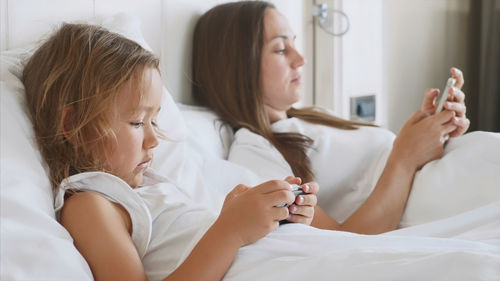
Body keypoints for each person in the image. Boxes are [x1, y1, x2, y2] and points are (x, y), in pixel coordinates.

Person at [22, 23, 319, 281]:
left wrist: (269, 219)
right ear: (73, 126)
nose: (153, 140)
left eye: (153, 120)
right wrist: (231, 230)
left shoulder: (146, 187)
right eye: (138, 122)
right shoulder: (89, 205)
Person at [191, 1, 470, 234]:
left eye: (294, 44)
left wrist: (433, 130)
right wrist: (405, 156)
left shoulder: (315, 117)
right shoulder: (254, 151)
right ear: (238, 69)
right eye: (280, 49)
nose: (300, 59)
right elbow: (342, 241)